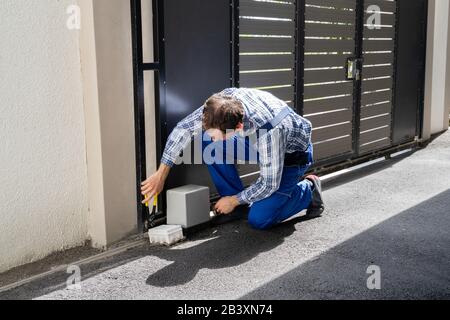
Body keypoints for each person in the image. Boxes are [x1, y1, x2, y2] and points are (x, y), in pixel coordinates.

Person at [141, 88, 324, 230]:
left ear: (237, 127)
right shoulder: (223, 104)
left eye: (217, 135)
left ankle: (309, 191)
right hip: (258, 143)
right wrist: (161, 174)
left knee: (259, 220)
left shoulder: (270, 132)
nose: (212, 137)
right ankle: (237, 208)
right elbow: (183, 129)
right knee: (208, 145)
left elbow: (269, 184)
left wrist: (234, 200)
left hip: (291, 157)